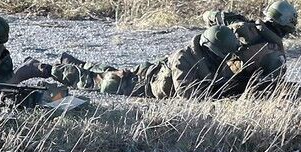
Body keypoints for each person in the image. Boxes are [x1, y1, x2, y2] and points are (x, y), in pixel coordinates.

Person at [33, 26, 243, 99]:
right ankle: (46, 68)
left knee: (106, 71)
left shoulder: (212, 57)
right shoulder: (184, 58)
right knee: (93, 81)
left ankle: (76, 61)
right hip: (139, 85)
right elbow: (186, 93)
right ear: (211, 50)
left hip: (149, 72)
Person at [200, 0, 297, 93]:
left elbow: (208, 15)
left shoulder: (240, 23)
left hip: (202, 64)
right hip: (223, 86)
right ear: (286, 27)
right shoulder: (275, 54)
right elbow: (273, 88)